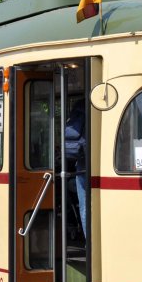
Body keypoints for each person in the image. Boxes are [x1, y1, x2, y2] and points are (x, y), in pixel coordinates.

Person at [64, 100, 88, 238]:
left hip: (81, 162)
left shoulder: (78, 109)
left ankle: (88, 242)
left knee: (84, 206)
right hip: (92, 161)